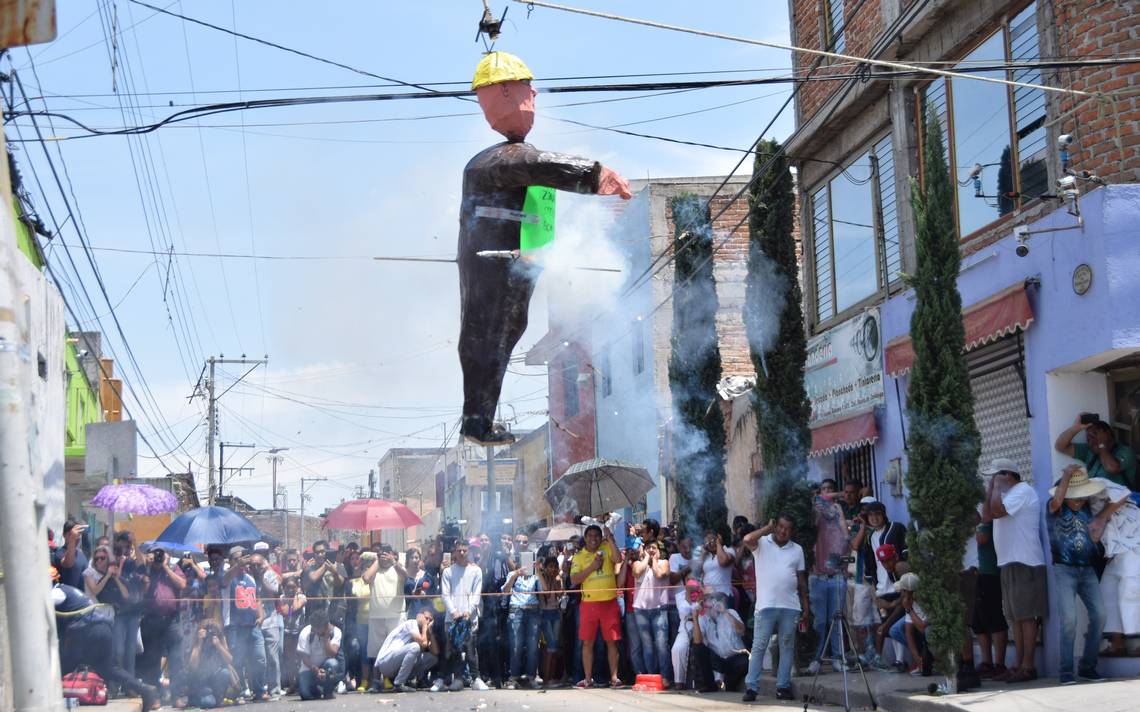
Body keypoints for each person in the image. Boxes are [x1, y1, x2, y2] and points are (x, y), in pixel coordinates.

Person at [458, 51, 632, 445]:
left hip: (511, 261)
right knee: (488, 333)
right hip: (495, 262)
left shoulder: (501, 158)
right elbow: (538, 164)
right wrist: (595, 175)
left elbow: (534, 170)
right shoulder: (495, 160)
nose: (533, 99)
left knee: (502, 331)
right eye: (528, 92)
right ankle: (476, 419)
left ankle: (477, 419)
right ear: (505, 92)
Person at [52, 572, 160, 711]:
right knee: (109, 668)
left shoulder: (56, 592)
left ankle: (47, 698)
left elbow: (43, 610)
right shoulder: (71, 590)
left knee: (63, 664)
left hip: (87, 631)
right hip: (103, 630)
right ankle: (145, 690)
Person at [982, 457, 1047, 684]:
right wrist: (992, 489)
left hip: (1024, 561)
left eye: (995, 476)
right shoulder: (1006, 495)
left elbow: (998, 513)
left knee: (1027, 616)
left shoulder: (1022, 491)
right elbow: (986, 516)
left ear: (1008, 475)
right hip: (1009, 562)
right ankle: (1018, 664)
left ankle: (1028, 666)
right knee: (1016, 618)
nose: (991, 480)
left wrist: (996, 489)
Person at [1047, 465, 1112, 684]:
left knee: (1100, 615)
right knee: (1069, 620)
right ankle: (1066, 671)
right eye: (1075, 497)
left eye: (1081, 496)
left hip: (1087, 569)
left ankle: (1087, 666)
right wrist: (1066, 475)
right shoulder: (1055, 506)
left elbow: (1095, 533)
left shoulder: (1087, 509)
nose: (1079, 500)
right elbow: (1056, 501)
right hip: (1064, 569)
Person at [742, 516, 809, 702]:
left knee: (787, 646)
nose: (782, 531)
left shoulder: (797, 549)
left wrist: (806, 606)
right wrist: (767, 528)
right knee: (759, 646)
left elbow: (801, 580)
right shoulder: (762, 543)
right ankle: (752, 687)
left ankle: (783, 686)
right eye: (780, 527)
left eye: (787, 528)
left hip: (791, 605)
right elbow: (747, 539)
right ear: (775, 527)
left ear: (792, 531)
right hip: (766, 606)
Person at [569, 522, 624, 688]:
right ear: (585, 538)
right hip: (589, 604)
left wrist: (610, 538)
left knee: (611, 641)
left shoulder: (607, 547)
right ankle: (587, 679)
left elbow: (618, 559)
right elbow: (574, 579)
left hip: (609, 602)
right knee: (587, 642)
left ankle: (614, 678)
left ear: (601, 537)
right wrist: (593, 567)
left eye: (597, 536)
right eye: (590, 536)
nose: (593, 539)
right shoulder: (579, 556)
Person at [809, 479, 850, 673]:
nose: (827, 493)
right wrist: (839, 494)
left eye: (830, 489)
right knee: (819, 621)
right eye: (824, 490)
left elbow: (845, 535)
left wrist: (839, 511)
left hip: (837, 575)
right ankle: (816, 659)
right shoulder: (817, 510)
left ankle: (838, 658)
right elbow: (819, 500)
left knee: (837, 619)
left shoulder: (837, 511)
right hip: (818, 575)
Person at [138, 546, 188, 705]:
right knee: (152, 659)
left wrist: (166, 566)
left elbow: (182, 585)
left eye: (160, 554)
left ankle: (176, 695)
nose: (158, 557)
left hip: (172, 620)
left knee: (177, 658)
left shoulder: (173, 567)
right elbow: (143, 591)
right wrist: (147, 567)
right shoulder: (146, 570)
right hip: (152, 619)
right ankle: (155, 697)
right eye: (155, 554)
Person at [436, 539, 488, 692]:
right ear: (454, 552)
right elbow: (445, 595)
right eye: (459, 550)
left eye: (465, 550)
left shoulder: (476, 571)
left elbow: (476, 594)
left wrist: (469, 611)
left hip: (469, 618)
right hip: (451, 618)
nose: (462, 553)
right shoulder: (448, 572)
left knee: (471, 649)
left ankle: (476, 678)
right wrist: (454, 612)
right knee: (452, 650)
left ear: (469, 551)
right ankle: (455, 679)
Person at [222, 547, 267, 701]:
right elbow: (224, 580)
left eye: (243, 558)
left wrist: (261, 616)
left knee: (260, 658)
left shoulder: (251, 578)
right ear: (230, 561)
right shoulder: (227, 576)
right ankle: (239, 691)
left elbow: (257, 599)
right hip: (235, 625)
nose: (242, 561)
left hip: (252, 625)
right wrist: (237, 565)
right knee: (238, 660)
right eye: (236, 558)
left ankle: (259, 690)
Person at [362, 544, 407, 691]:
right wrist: (377, 560)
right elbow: (366, 578)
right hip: (376, 616)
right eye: (381, 554)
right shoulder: (375, 570)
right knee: (376, 651)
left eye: (386, 554)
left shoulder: (397, 568)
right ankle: (376, 681)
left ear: (393, 554)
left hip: (396, 616)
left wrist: (393, 561)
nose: (384, 556)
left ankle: (393, 680)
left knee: (394, 650)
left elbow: (406, 576)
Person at [1055, 413, 1137, 490]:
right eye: (1088, 439)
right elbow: (1060, 446)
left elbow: (1111, 467)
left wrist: (1101, 443)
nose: (1091, 442)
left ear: (1107, 433)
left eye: (1093, 436)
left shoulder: (1126, 452)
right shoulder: (1090, 450)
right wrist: (1076, 428)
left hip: (1119, 502)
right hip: (1094, 500)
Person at [973, 509, 1009, 679]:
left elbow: (981, 540)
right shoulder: (981, 523)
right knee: (978, 621)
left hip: (990, 573)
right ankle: (986, 662)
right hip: (974, 573)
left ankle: (1000, 664)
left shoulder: (990, 522)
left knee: (994, 618)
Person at [690, 586, 748, 692]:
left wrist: (725, 612)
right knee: (698, 649)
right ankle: (709, 685)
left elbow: (742, 631)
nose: (711, 602)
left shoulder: (731, 612)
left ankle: (729, 686)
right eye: (707, 599)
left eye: (713, 598)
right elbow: (697, 642)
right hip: (717, 659)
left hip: (735, 656)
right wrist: (695, 618)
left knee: (742, 664)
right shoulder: (703, 618)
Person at [631, 540, 673, 686]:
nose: (651, 550)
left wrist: (654, 560)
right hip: (641, 610)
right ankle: (651, 676)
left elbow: (660, 575)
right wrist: (646, 558)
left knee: (661, 644)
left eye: (654, 548)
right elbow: (636, 573)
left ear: (660, 551)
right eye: (648, 548)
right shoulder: (637, 564)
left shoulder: (664, 562)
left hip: (659, 609)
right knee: (647, 645)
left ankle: (665, 676)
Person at [374, 610, 440, 693]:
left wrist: (430, 631)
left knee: (432, 658)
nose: (427, 621)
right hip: (386, 662)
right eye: (426, 618)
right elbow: (423, 643)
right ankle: (399, 684)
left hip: (395, 664)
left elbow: (435, 652)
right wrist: (424, 625)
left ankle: (408, 680)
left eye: (430, 620)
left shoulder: (424, 631)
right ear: (419, 616)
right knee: (415, 647)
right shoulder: (411, 623)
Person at [502, 559, 542, 688]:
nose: (527, 564)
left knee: (533, 647)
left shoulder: (535, 575)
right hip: (516, 611)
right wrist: (515, 575)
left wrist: (539, 571)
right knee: (515, 646)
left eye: (529, 560)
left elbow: (543, 590)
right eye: (524, 560)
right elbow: (505, 591)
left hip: (533, 610)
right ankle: (513, 677)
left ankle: (531, 677)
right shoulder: (512, 574)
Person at [882, 573, 928, 675]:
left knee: (927, 633)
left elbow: (923, 628)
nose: (901, 593)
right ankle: (922, 660)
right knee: (896, 630)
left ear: (907, 592)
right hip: (919, 622)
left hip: (931, 633)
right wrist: (918, 660)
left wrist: (909, 609)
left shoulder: (925, 601)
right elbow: (908, 633)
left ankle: (931, 659)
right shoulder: (909, 601)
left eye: (902, 590)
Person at [251, 553, 283, 697]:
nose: (256, 567)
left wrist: (261, 579)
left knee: (272, 656)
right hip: (255, 621)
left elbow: (274, 592)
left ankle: (274, 688)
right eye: (253, 565)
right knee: (258, 657)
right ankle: (258, 688)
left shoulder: (269, 574)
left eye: (258, 564)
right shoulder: (247, 577)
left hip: (270, 620)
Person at [187, 620, 238, 708]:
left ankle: (218, 697)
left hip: (215, 678)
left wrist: (219, 646)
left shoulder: (219, 639)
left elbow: (230, 660)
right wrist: (200, 643)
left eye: (212, 632)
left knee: (225, 673)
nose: (210, 635)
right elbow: (192, 666)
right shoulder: (198, 641)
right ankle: (194, 698)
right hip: (201, 681)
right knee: (208, 703)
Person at [296, 608, 344, 700]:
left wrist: (326, 638)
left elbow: (332, 655)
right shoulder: (306, 633)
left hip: (326, 667)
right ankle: (317, 690)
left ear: (325, 627)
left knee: (333, 663)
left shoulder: (336, 632)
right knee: (305, 694)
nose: (314, 630)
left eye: (317, 628)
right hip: (309, 668)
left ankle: (328, 691)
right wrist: (316, 670)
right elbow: (304, 658)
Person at [345, 550, 374, 691]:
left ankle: (375, 680)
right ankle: (363, 680)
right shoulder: (353, 582)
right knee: (363, 651)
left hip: (375, 619)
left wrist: (369, 558)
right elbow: (356, 596)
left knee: (376, 650)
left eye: (362, 561)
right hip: (361, 620)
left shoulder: (374, 579)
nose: (360, 564)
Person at [536, 555, 565, 687]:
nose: (553, 569)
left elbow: (560, 594)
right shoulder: (541, 579)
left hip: (556, 614)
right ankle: (546, 680)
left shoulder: (557, 579)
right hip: (545, 614)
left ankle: (551, 678)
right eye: (550, 567)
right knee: (550, 647)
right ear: (545, 568)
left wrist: (560, 580)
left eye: (555, 567)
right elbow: (547, 593)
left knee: (555, 647)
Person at [671, 578, 703, 691]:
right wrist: (689, 593)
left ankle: (718, 680)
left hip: (703, 624)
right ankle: (679, 681)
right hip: (685, 625)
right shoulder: (680, 595)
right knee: (677, 649)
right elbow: (685, 611)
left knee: (711, 645)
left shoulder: (703, 593)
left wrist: (701, 595)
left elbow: (701, 609)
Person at [280, 576, 308, 694]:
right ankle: (292, 684)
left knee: (300, 659)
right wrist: (288, 598)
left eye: (293, 587)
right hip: (287, 633)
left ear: (297, 588)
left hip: (299, 632)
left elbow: (296, 607)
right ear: (283, 588)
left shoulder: (302, 597)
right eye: (288, 587)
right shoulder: (281, 598)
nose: (291, 590)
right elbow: (286, 612)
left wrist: (294, 597)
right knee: (290, 660)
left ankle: (302, 683)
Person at [303, 540, 345, 617]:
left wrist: (334, 572)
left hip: (335, 610)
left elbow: (341, 583)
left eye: (322, 552)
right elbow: (313, 578)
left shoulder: (340, 566)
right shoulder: (310, 567)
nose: (319, 555)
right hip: (316, 610)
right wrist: (325, 565)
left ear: (328, 552)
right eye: (317, 552)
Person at [697, 528, 736, 599]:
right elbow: (698, 573)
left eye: (712, 540)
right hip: (707, 594)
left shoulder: (729, 551)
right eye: (707, 543)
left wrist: (718, 543)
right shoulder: (706, 556)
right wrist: (702, 555)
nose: (711, 544)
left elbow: (723, 562)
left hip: (723, 594)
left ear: (718, 538)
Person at [53, 518, 90, 589]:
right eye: (71, 534)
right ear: (64, 535)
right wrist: (72, 539)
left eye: (79, 533)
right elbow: (68, 563)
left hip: (81, 597)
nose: (77, 536)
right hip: (67, 598)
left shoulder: (81, 554)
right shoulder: (59, 553)